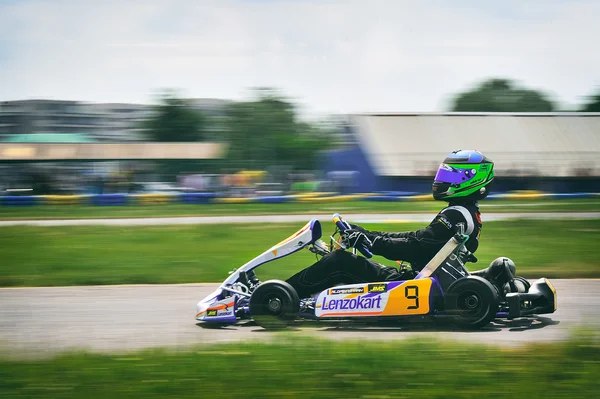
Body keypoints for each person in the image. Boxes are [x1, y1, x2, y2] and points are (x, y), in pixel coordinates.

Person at [285, 149, 495, 299]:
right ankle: (294, 294)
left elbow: (415, 247)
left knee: (339, 261)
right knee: (342, 260)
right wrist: (367, 235)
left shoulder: (456, 215)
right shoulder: (465, 213)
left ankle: (283, 295)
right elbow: (416, 238)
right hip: (421, 278)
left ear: (470, 179)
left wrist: (371, 242)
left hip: (414, 282)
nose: (442, 180)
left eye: (450, 176)